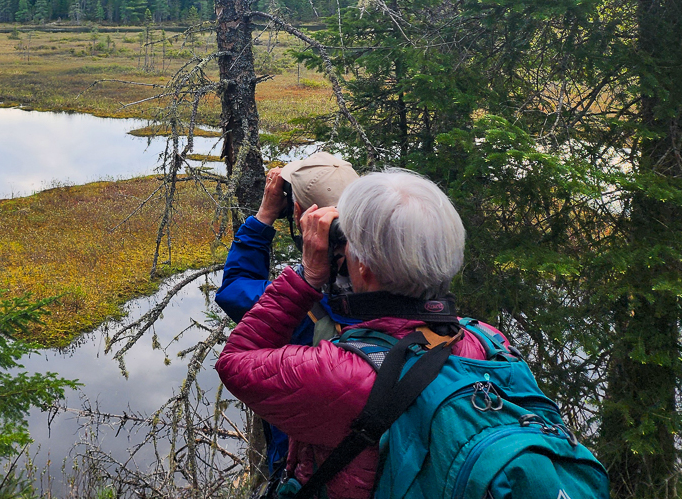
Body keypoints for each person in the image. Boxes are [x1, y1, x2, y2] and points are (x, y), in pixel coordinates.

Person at [215, 169, 508, 499]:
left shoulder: (334, 371)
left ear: (363, 266)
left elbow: (235, 360)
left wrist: (306, 276)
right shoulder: (488, 340)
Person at [214, 152, 361, 486]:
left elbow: (235, 288)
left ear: (299, 215)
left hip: (303, 465)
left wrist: (265, 214)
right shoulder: (390, 281)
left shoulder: (300, 303)